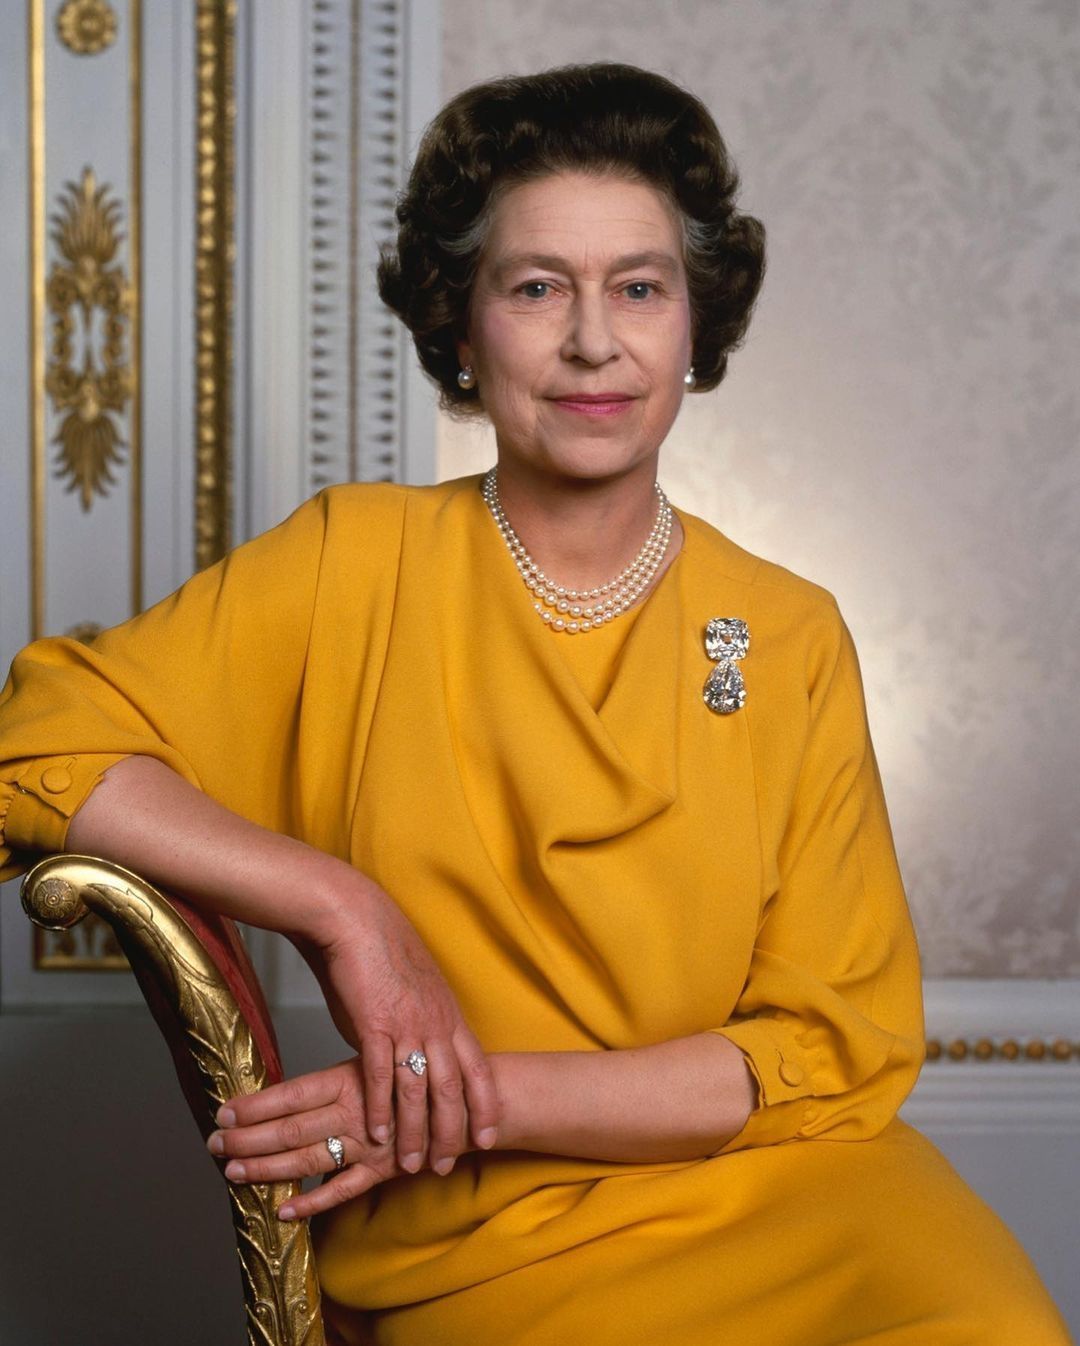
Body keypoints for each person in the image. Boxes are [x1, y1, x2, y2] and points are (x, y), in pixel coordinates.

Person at [0, 62, 1071, 1346]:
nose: (594, 341)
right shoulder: (356, 563)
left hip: (789, 1186)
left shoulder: (786, 632)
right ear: (462, 326)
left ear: (694, 326)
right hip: (481, 1229)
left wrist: (475, 1094)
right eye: (536, 287)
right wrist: (345, 906)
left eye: (640, 287)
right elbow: (34, 744)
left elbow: (821, 1050)